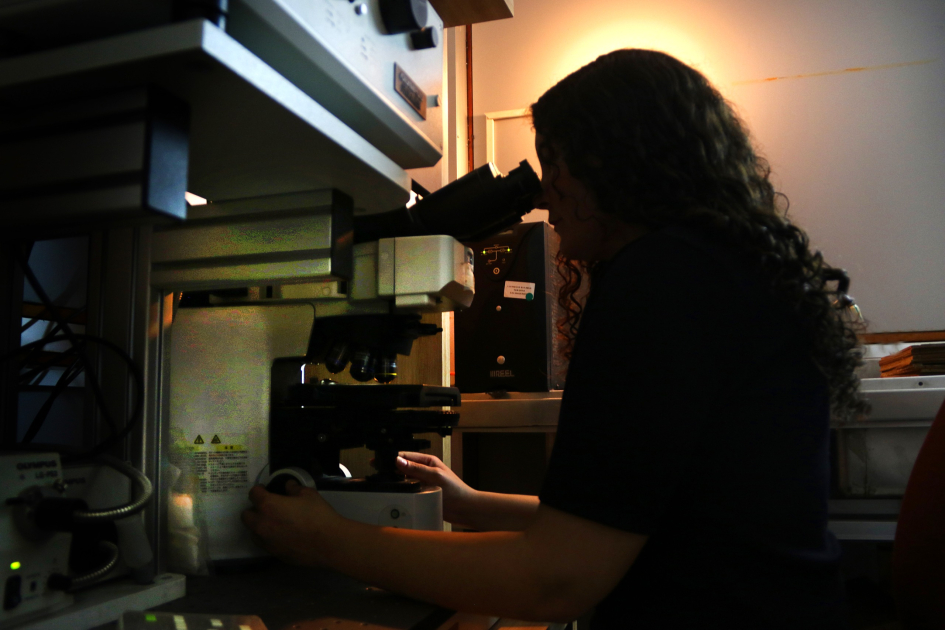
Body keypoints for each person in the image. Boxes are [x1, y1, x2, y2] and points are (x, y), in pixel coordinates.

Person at [241, 49, 865, 629]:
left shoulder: (662, 281)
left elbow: (554, 580)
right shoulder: (718, 268)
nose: (544, 195)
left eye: (552, 164)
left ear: (605, 166)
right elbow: (645, 518)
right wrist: (473, 503)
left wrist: (325, 539)